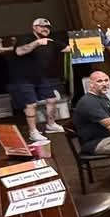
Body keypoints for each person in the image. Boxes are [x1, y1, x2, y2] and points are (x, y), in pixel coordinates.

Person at [7, 17, 71, 145]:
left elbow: (68, 48)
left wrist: (94, 46)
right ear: (34, 28)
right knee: (31, 104)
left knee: (52, 99)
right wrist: (36, 43)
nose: (45, 29)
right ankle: (33, 132)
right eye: (42, 27)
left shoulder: (51, 41)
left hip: (40, 77)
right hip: (23, 78)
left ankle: (51, 125)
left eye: (48, 27)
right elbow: (19, 51)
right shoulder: (25, 38)